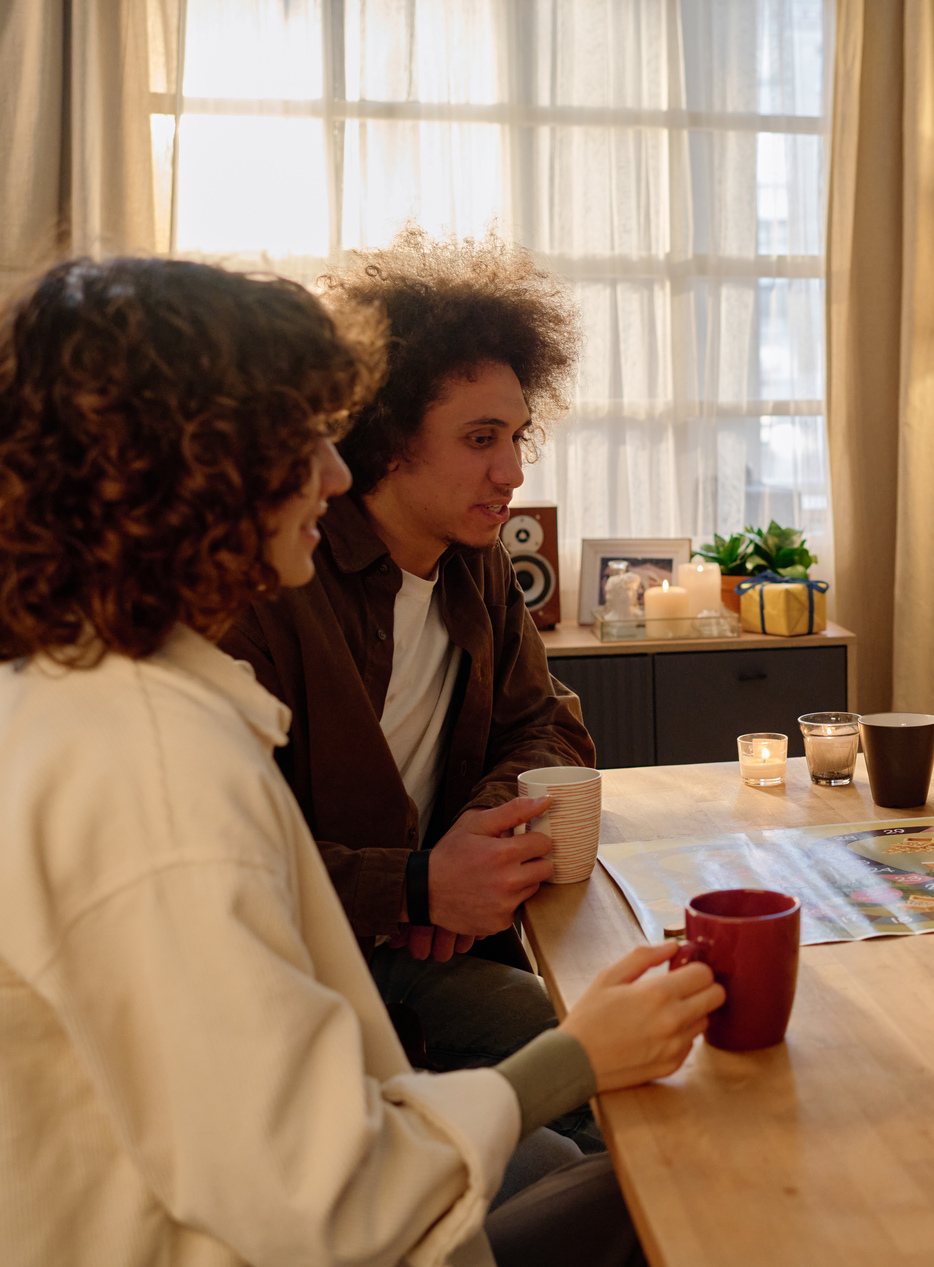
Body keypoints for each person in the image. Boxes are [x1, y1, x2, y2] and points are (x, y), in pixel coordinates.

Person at [0, 256, 722, 1264]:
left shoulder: (64, 686)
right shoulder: (152, 766)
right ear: (191, 470)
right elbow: (326, 1198)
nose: (337, 471)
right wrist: (574, 1054)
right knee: (684, 1186)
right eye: (304, 439)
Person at [221, 228, 597, 1144]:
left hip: (438, 942)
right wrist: (417, 887)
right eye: (479, 438)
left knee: (631, 1060)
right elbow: (236, 859)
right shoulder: (271, 587)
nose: (511, 471)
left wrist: (481, 844)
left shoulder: (479, 568)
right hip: (298, 973)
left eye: (515, 436)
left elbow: (547, 730)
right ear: (385, 437)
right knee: (576, 1082)